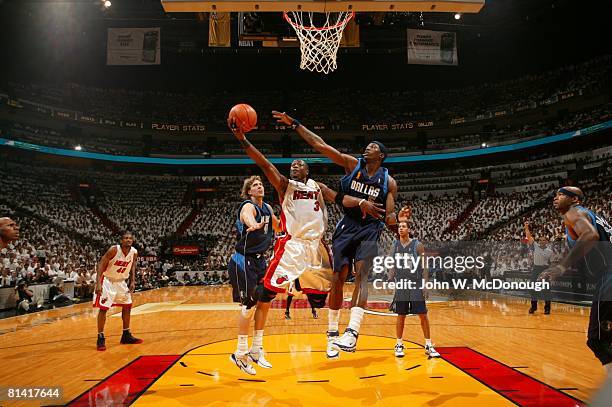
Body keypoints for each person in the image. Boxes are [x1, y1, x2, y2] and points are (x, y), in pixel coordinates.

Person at [230, 116, 384, 372]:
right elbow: (264, 163)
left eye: (299, 164)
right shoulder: (285, 185)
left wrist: (360, 203)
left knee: (322, 299)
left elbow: (338, 199)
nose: (294, 166)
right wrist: (243, 140)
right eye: (291, 164)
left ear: (308, 170)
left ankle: (331, 339)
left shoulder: (318, 187)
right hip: (294, 247)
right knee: (265, 294)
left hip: (316, 248)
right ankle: (247, 342)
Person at [272, 111, 398, 357]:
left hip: (370, 229)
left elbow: (389, 217)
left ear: (380, 156)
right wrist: (296, 123)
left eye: (372, 146)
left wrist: (396, 220)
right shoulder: (353, 165)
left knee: (362, 276)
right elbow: (320, 145)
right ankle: (332, 333)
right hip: (346, 226)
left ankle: (352, 332)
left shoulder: (389, 183)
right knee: (338, 278)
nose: (367, 147)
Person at [539, 187, 612, 375]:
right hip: (605, 275)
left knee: (597, 339)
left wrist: (561, 267)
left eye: (561, 194)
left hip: (609, 276)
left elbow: (591, 236)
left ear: (575, 200)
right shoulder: (590, 215)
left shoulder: (574, 212)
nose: (555, 198)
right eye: (555, 195)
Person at [227, 174, 280, 375]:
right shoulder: (247, 206)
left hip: (260, 261)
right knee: (248, 305)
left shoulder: (267, 208)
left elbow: (278, 226)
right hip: (243, 261)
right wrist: (252, 224)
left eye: (261, 184)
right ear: (249, 191)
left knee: (265, 302)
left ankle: (256, 349)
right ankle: (239, 353)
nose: (260, 187)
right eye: (255, 185)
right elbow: (247, 217)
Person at [389, 220, 440, 358]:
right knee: (401, 315)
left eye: (403, 226)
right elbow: (391, 263)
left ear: (409, 230)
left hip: (415, 283)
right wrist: (389, 277)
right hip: (401, 284)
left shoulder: (417, 245)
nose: (401, 228)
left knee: (423, 314)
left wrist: (425, 284)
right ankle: (399, 343)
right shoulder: (394, 245)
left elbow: (424, 267)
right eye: (399, 226)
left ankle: (428, 344)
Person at [93, 231, 143, 351]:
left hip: (121, 282)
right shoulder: (114, 250)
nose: (128, 240)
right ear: (121, 240)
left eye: (130, 238)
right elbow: (101, 265)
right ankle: (100, 337)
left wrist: (132, 281)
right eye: (125, 238)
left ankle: (126, 335)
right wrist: (98, 283)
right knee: (104, 309)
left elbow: (132, 266)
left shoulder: (134, 252)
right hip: (108, 281)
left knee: (127, 306)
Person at [524, 221, 553, 314]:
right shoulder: (535, 246)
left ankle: (547, 308)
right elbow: (528, 237)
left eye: (543, 240)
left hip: (545, 270)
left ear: (546, 242)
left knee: (546, 290)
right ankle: (533, 307)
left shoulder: (550, 251)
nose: (541, 241)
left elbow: (552, 263)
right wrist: (526, 227)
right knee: (533, 288)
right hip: (536, 269)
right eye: (540, 240)